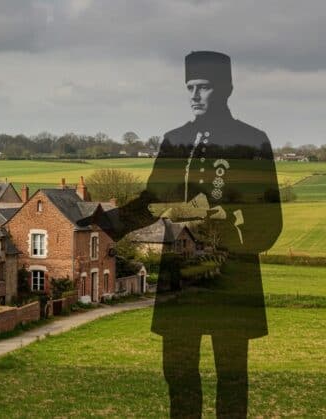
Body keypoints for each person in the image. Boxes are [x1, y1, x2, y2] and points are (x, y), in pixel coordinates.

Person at [96, 51, 282, 418]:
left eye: (204, 87)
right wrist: (105, 225)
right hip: (180, 279)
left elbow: (271, 219)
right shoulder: (175, 139)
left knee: (232, 378)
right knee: (178, 375)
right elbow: (151, 201)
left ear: (226, 89)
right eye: (190, 87)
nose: (195, 95)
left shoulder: (253, 141)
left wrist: (228, 225)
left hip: (234, 278)